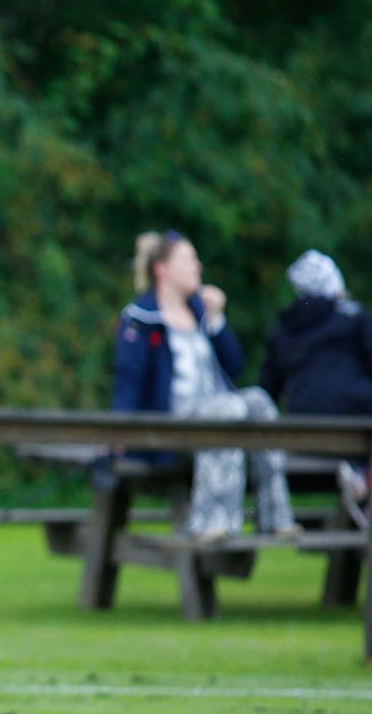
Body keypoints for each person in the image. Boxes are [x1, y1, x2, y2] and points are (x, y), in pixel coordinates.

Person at [112, 231, 298, 541]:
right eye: (188, 259)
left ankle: (274, 515)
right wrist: (118, 433)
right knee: (228, 407)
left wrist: (216, 319)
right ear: (162, 270)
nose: (197, 266)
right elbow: (128, 378)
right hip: (170, 429)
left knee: (259, 402)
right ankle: (212, 522)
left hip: (218, 416)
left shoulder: (200, 314)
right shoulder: (141, 319)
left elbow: (234, 368)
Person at [260, 249, 372, 511]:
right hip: (357, 423)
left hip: (302, 429)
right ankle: (362, 477)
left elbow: (267, 390)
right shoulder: (355, 318)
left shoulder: (284, 329)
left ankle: (358, 481)